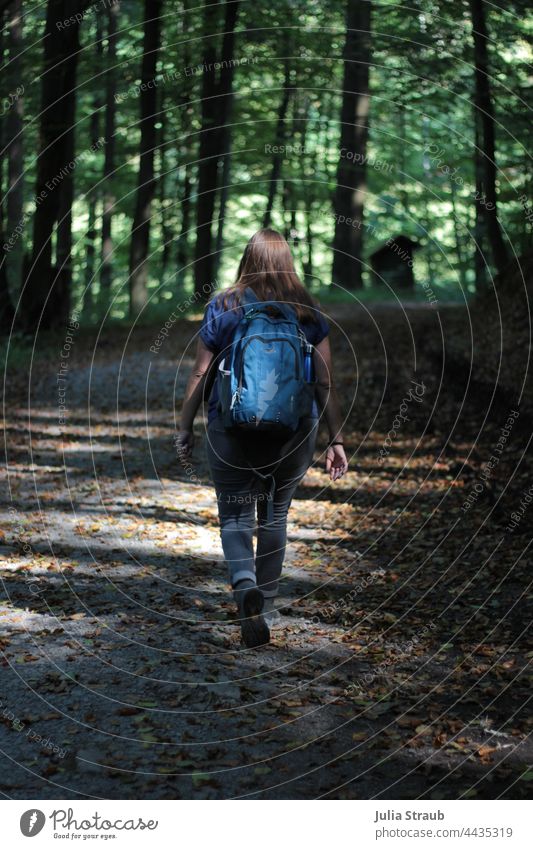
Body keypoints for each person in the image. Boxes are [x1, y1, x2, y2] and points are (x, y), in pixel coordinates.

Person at [177, 229, 348, 647]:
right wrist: (336, 439)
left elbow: (201, 373)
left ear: (247, 259)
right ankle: (266, 602)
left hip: (230, 427)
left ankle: (244, 585)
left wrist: (184, 424)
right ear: (288, 260)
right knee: (274, 516)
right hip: (293, 432)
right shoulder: (307, 312)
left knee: (235, 515)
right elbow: (324, 383)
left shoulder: (224, 306)